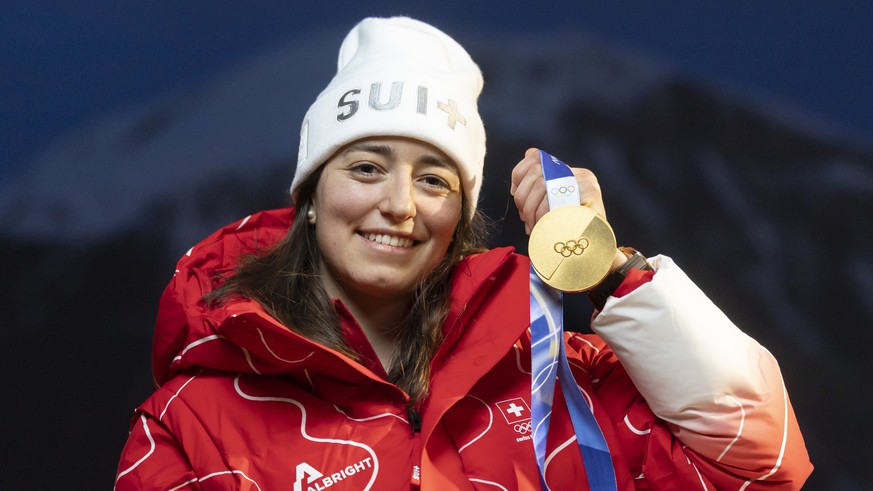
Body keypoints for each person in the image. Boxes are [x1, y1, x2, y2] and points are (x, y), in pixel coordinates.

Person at [114, 16, 812, 490]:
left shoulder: (560, 381)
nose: (401, 204)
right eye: (364, 167)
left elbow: (759, 462)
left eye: (433, 179)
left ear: (461, 215)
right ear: (310, 194)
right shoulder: (192, 420)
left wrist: (605, 269)